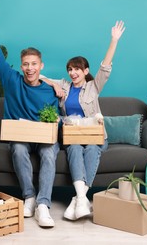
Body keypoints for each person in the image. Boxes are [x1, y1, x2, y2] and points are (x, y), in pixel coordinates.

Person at [0, 6, 60, 228]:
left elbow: (55, 118)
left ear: (41, 66)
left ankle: (43, 205)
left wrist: (55, 121)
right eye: (26, 64)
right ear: (21, 66)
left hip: (44, 138)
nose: (30, 68)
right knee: (17, 148)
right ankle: (29, 197)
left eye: (34, 64)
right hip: (21, 137)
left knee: (48, 153)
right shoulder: (12, 81)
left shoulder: (50, 90)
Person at [42, 21, 125, 220]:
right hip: (73, 136)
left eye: (77, 69)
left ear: (86, 71)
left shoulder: (94, 87)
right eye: (70, 69)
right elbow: (41, 77)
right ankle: (81, 198)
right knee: (75, 148)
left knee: (93, 148)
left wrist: (114, 40)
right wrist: (54, 85)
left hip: (95, 136)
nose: (73, 72)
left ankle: (78, 199)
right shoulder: (65, 85)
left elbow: (105, 67)